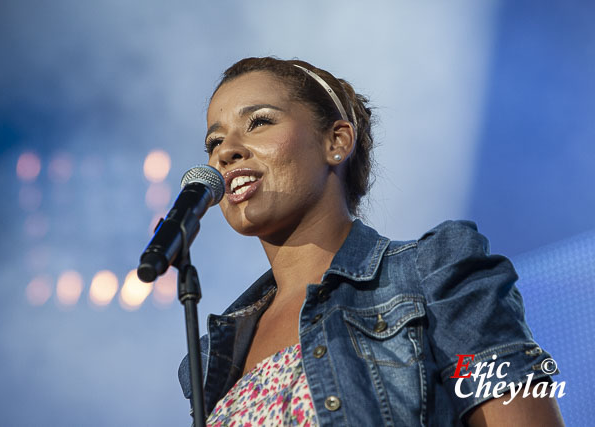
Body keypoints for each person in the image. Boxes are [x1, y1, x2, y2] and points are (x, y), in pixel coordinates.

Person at [179, 57, 564, 426]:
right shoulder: (214, 355)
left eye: (258, 122)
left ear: (336, 141)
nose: (225, 152)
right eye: (214, 142)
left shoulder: (432, 275)